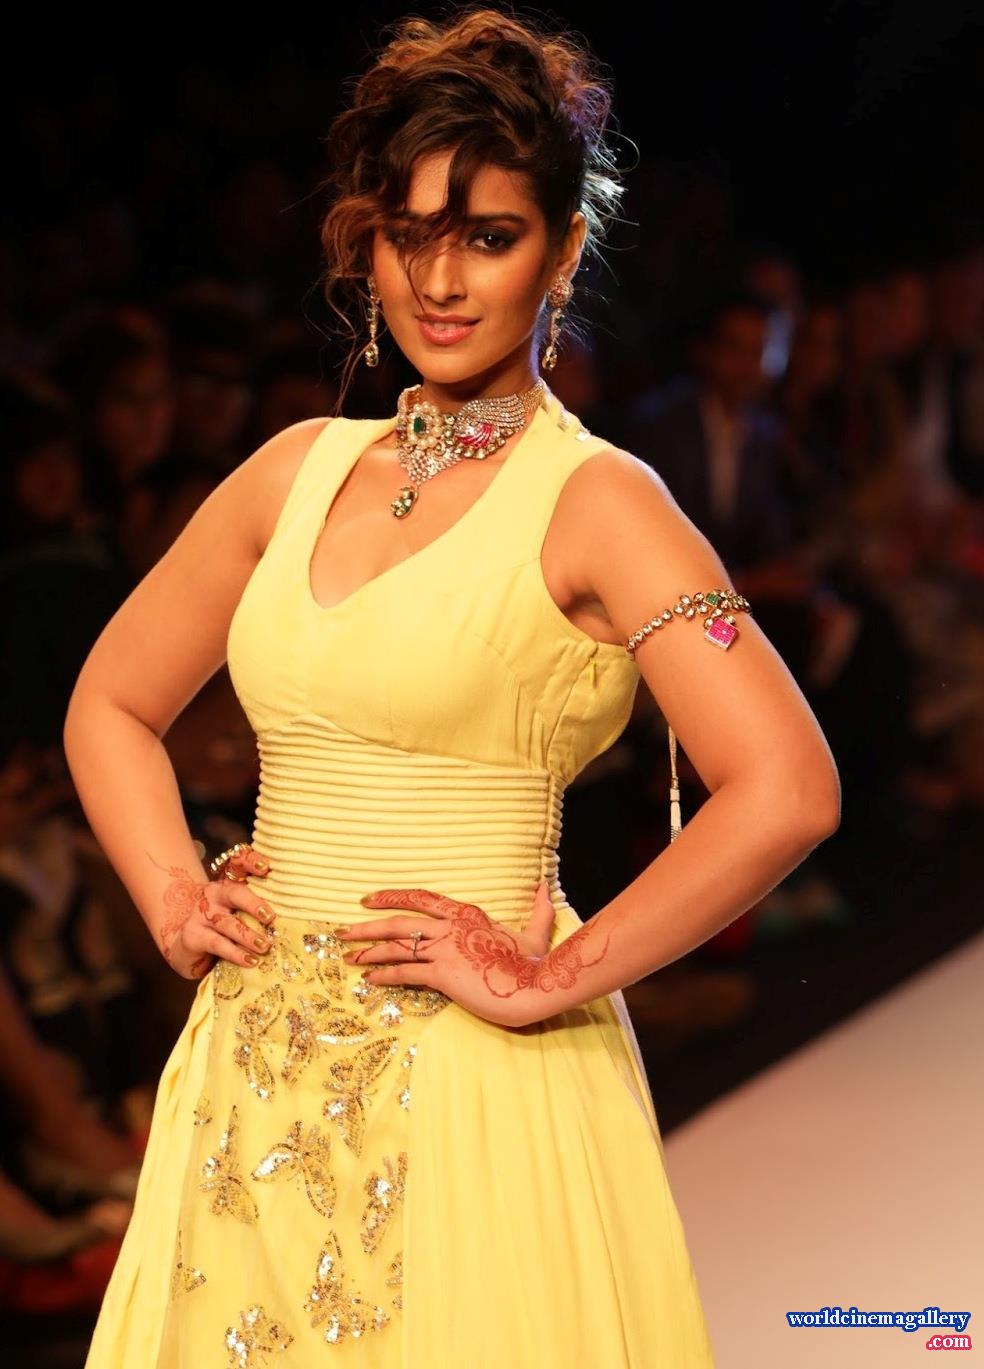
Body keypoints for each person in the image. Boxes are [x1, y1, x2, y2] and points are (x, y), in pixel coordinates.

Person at [67, 9, 839, 1366]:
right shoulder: (294, 469)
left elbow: (787, 785)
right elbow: (111, 704)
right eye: (408, 232)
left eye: (487, 236)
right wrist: (173, 893)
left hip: (479, 1076)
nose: (439, 277)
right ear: (366, 243)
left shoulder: (604, 504)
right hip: (249, 1079)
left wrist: (551, 976)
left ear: (564, 251)